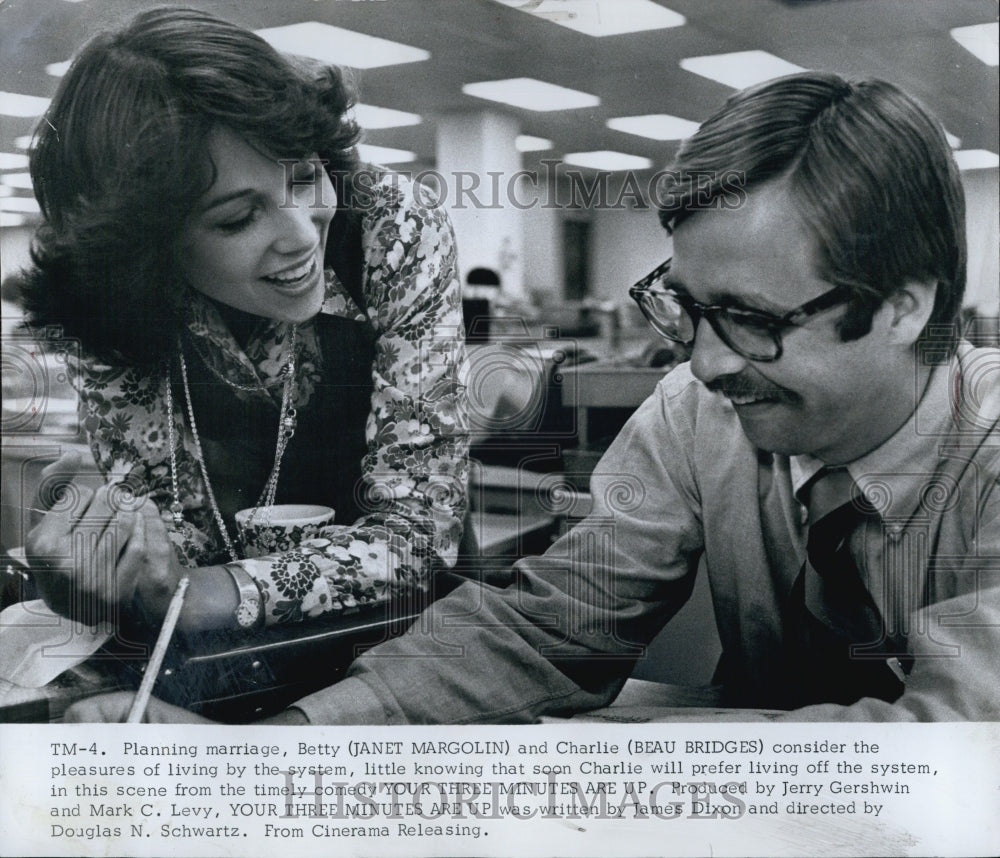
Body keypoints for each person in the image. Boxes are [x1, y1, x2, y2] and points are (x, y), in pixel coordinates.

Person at [68, 71, 998, 724]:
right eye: (686, 305)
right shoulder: (692, 415)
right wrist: (283, 751)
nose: (707, 366)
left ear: (905, 305)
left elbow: (953, 745)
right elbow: (546, 630)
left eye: (750, 319)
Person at [18, 8, 468, 648]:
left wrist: (203, 593)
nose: (301, 233)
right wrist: (104, 565)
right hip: (217, 660)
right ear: (149, 248)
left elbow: (421, 531)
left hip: (409, 640)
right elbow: (171, 537)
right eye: (236, 220)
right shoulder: (108, 301)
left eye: (305, 177)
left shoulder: (392, 227)